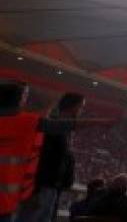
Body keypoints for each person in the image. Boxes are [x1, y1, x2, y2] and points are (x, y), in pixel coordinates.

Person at [1, 82, 108, 222]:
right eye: (25, 96)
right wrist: (99, 122)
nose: (25, 100)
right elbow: (43, 153)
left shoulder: (30, 122)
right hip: (37, 189)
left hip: (39, 189)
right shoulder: (30, 122)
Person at [19, 92, 88, 222]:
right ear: (73, 106)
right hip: (41, 189)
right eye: (81, 107)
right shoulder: (52, 127)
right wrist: (34, 189)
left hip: (51, 188)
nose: (82, 110)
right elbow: (40, 158)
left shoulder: (63, 130)